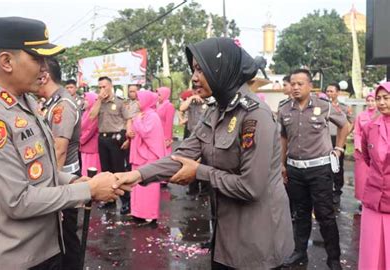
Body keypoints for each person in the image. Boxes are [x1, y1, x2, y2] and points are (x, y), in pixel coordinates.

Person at [0, 17, 125, 269]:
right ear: (6, 61)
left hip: (44, 250)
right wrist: (88, 191)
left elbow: (37, 170)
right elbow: (18, 201)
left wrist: (74, 181)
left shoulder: (25, 103)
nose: (45, 68)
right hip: (11, 258)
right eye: (37, 59)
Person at [114, 37, 294, 269]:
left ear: (223, 68)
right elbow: (181, 156)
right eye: (194, 69)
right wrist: (135, 176)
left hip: (257, 240)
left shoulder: (254, 115)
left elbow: (251, 187)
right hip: (224, 236)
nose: (195, 77)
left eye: (202, 69)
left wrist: (200, 171)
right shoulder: (215, 112)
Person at [279, 69, 349, 270]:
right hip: (295, 171)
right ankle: (299, 252)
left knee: (325, 214)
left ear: (310, 86)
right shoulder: (284, 109)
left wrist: (339, 148)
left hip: (320, 171)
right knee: (300, 214)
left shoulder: (324, 106)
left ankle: (333, 259)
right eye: (293, 83)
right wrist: (282, 164)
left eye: (300, 83)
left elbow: (344, 125)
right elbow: (283, 137)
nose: (295, 87)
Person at [37, 57, 83, 270]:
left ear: (44, 76)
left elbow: (59, 149)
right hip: (56, 176)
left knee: (66, 236)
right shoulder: (52, 102)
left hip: (63, 177)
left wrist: (51, 189)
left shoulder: (63, 105)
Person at [358, 82, 390, 269]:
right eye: (378, 98)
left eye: (386, 97)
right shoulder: (370, 126)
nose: (381, 102)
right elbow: (367, 156)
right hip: (374, 196)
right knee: (372, 251)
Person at [89, 76, 131, 214]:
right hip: (102, 138)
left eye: (104, 86)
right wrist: (99, 100)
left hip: (116, 138)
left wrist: (128, 137)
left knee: (119, 171)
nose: (102, 89)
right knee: (106, 171)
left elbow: (128, 119)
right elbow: (91, 116)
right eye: (99, 87)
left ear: (111, 86)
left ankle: (125, 201)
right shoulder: (99, 102)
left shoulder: (120, 102)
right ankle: (110, 200)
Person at [129, 90, 165, 225]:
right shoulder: (143, 114)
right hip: (139, 155)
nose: (137, 102)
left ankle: (150, 215)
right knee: (137, 186)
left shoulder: (152, 116)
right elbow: (137, 132)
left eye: (139, 99)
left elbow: (145, 133)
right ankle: (138, 212)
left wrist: (137, 120)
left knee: (148, 187)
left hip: (148, 156)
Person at [325, 82, 354, 207]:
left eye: (332, 91)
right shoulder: (323, 106)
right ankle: (326, 190)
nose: (329, 94)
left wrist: (345, 134)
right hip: (324, 140)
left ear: (337, 92)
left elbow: (351, 122)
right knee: (325, 166)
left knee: (337, 166)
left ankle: (337, 190)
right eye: (328, 91)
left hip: (338, 140)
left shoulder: (344, 107)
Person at [179, 85, 210, 196]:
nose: (198, 91)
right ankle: (193, 188)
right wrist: (191, 98)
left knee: (205, 162)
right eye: (195, 90)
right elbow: (181, 108)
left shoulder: (209, 101)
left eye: (200, 89)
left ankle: (205, 189)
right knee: (191, 161)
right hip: (192, 136)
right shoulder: (191, 102)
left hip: (207, 137)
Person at [353, 91, 378, 202]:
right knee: (362, 177)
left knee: (376, 176)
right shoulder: (361, 115)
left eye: (373, 100)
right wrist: (358, 146)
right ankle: (362, 200)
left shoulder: (380, 115)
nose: (370, 103)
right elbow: (357, 132)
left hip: (376, 149)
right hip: (362, 150)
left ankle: (375, 199)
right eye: (368, 100)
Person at [80, 92, 101, 176]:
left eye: (86, 100)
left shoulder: (95, 113)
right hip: (84, 146)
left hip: (92, 146)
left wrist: (81, 140)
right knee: (85, 169)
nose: (84, 102)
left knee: (92, 169)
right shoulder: (85, 112)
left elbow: (91, 130)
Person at [156, 86, 175, 155]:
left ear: (165, 95)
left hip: (164, 135)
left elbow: (169, 124)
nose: (157, 96)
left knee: (163, 154)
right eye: (157, 95)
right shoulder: (156, 105)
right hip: (156, 133)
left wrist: (167, 139)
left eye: (159, 95)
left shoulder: (169, 106)